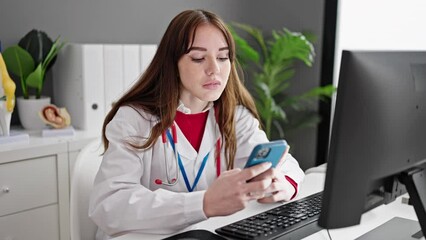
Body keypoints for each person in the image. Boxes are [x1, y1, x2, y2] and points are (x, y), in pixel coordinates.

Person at [89, 9, 305, 239]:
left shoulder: (235, 117)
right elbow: (109, 205)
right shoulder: (134, 119)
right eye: (198, 58)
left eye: (223, 57)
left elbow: (285, 164)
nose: (215, 69)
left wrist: (283, 183)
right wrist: (203, 203)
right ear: (172, 63)